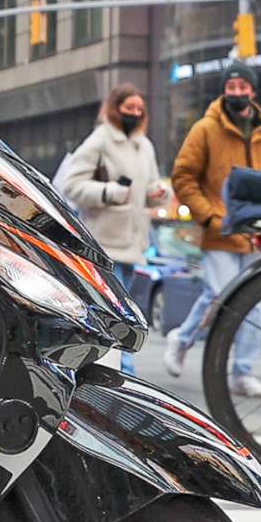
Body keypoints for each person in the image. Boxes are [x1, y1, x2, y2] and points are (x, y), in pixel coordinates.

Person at [163, 65, 261, 395]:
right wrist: (208, 217)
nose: (237, 91)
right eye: (231, 85)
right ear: (223, 91)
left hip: (256, 233)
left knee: (254, 303)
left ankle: (241, 373)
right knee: (220, 294)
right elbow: (183, 177)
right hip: (220, 229)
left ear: (253, 91)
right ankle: (182, 338)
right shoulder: (205, 129)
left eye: (243, 85)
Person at [54, 81, 171, 373]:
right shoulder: (100, 140)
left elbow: (150, 185)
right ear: (115, 108)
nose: (134, 112)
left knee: (124, 314)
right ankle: (118, 370)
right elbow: (71, 185)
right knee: (114, 314)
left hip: (133, 243)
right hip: (105, 243)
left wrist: (158, 192)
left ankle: (113, 368)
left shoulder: (145, 146)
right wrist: (109, 192)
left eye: (139, 109)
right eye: (128, 107)